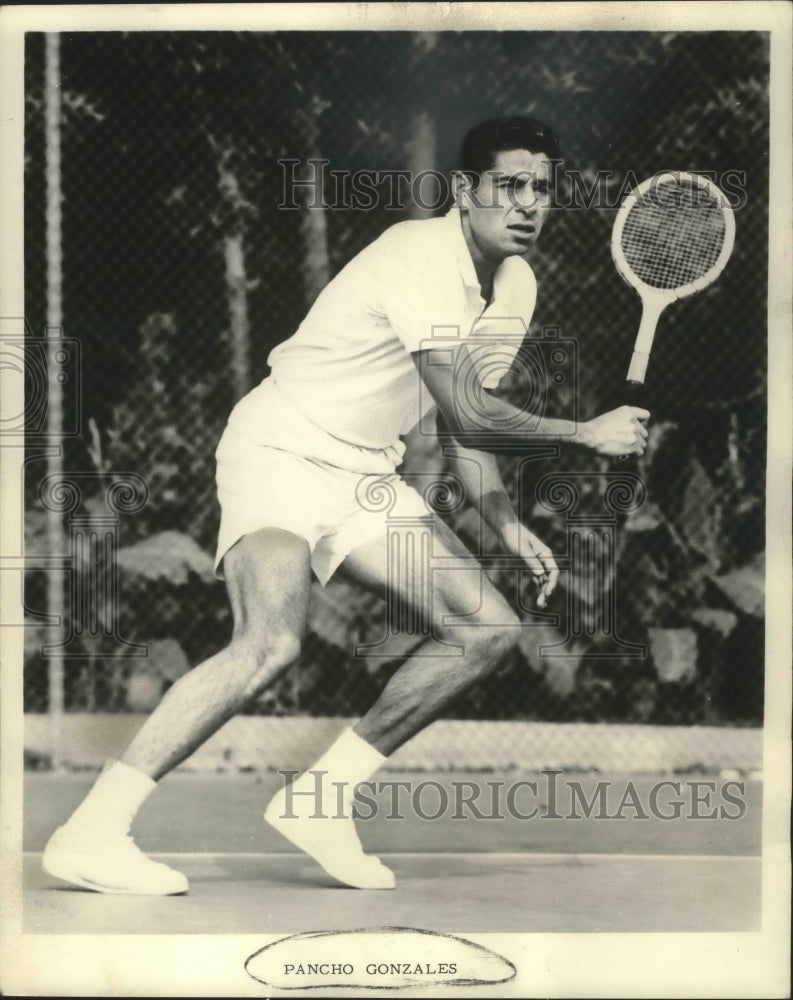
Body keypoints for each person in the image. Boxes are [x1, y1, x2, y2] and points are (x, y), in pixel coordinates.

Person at [42, 116, 649, 895]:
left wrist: (503, 521)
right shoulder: (416, 254)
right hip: (281, 448)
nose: (527, 203)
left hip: (364, 474)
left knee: (487, 628)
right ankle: (92, 832)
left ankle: (322, 804)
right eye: (508, 185)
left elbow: (462, 422)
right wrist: (582, 432)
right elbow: (466, 411)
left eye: (541, 188)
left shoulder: (515, 284)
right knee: (270, 642)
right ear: (464, 192)